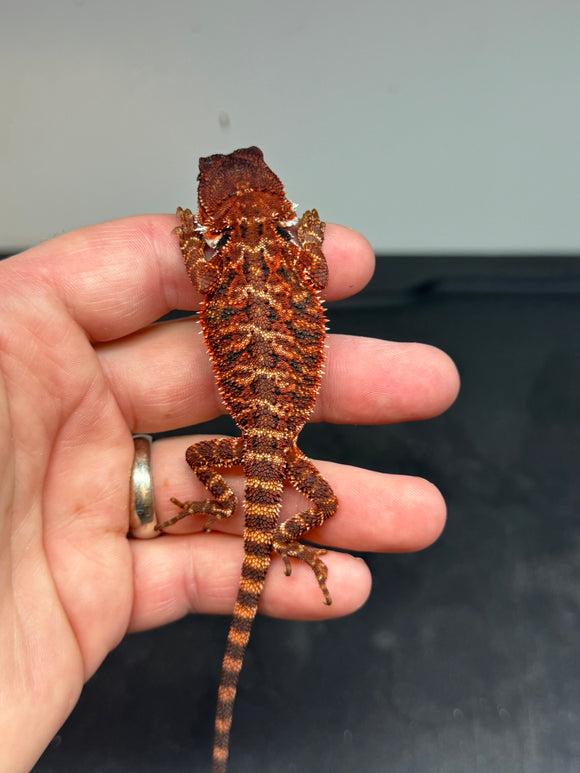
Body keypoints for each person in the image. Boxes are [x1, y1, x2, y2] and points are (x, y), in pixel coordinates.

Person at [0, 213, 459, 771]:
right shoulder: (293, 259)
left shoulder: (219, 266)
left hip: (263, 440)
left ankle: (227, 507)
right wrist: (312, 238)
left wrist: (190, 241)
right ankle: (273, 534)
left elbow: (206, 273)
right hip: (277, 440)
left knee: (208, 460)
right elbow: (316, 272)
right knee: (322, 502)